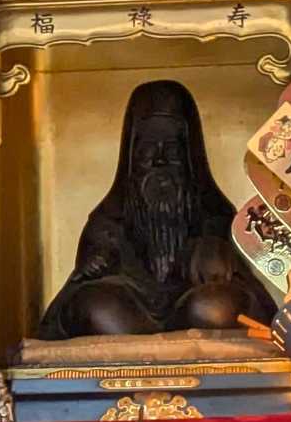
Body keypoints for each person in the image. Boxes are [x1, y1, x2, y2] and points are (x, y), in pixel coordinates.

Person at [35, 80, 276, 340]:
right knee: (96, 304)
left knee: (214, 306)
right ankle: (151, 341)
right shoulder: (111, 216)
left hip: (193, 299)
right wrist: (96, 261)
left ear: (190, 158)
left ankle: (155, 339)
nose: (159, 161)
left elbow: (236, 274)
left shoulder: (214, 214)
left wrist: (217, 253)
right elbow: (86, 273)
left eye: (171, 150)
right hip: (130, 301)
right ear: (131, 156)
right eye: (148, 149)